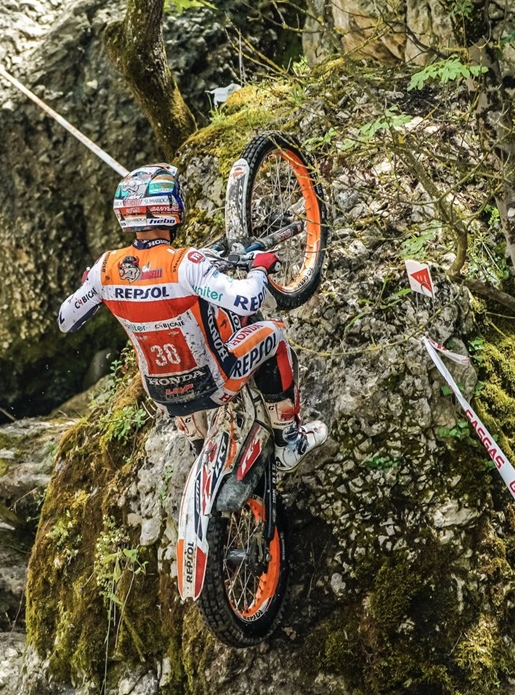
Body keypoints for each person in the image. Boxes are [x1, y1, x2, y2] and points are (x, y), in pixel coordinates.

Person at [58, 163, 328, 472]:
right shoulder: (185, 263)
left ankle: (201, 451)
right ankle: (289, 441)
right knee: (275, 334)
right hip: (217, 384)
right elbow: (246, 301)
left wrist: (92, 286)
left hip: (162, 396)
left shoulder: (105, 268)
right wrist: (259, 269)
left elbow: (66, 319)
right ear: (172, 207)